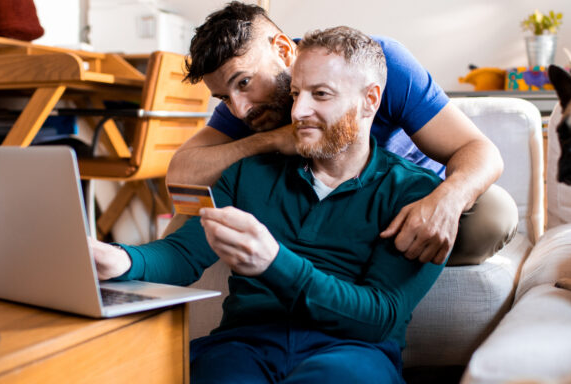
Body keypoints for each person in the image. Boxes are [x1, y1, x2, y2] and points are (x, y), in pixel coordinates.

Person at [92, 27, 446, 383]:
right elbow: (183, 254)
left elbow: (379, 317)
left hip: (352, 350)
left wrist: (273, 262)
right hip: (243, 345)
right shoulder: (249, 173)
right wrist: (119, 259)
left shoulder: (416, 194)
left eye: (320, 94)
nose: (299, 111)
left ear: (370, 99)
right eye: (295, 94)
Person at [166, 2, 515, 266]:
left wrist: (447, 201)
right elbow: (181, 176)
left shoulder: (376, 64)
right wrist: (273, 139)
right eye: (225, 97)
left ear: (284, 51)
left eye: (244, 83)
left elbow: (478, 149)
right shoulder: (249, 108)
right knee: (187, 221)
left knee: (494, 213)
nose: (239, 109)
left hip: (399, 205)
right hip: (312, 213)